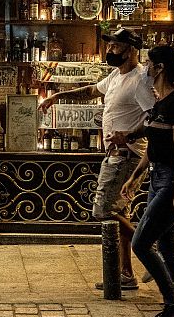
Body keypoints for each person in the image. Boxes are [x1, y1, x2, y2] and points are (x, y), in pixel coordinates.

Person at [39, 27, 155, 291]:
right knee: (120, 211)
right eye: (110, 45)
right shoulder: (117, 75)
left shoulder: (141, 81)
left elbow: (154, 119)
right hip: (114, 154)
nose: (110, 50)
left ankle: (149, 250)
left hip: (128, 156)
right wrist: (58, 96)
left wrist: (128, 135)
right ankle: (125, 274)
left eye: (115, 46)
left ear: (131, 49)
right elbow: (93, 90)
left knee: (105, 210)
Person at [121, 45, 174, 317]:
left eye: (150, 64)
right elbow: (153, 145)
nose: (146, 68)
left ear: (160, 68)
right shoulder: (160, 102)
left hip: (173, 181)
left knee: (141, 243)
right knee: (166, 248)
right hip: (157, 177)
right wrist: (135, 177)